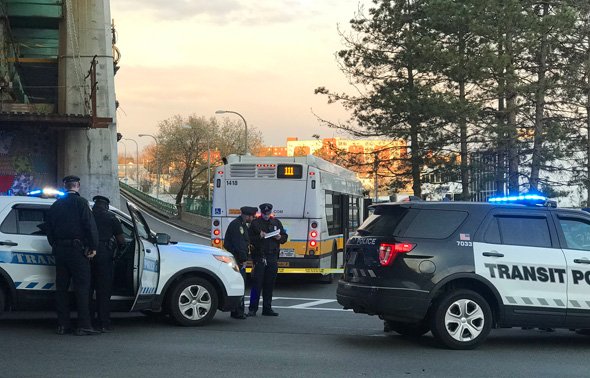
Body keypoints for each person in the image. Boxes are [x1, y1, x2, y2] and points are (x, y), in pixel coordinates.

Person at [45, 175, 100, 336]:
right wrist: (93, 247)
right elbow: (90, 226)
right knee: (82, 288)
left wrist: (55, 244)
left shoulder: (56, 205)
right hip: (77, 251)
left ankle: (63, 325)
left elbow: (49, 229)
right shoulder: (81, 203)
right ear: (78, 186)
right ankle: (83, 325)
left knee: (61, 288)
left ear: (64, 186)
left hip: (60, 251)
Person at [90, 195, 126, 332]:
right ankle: (103, 323)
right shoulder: (112, 218)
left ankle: (88, 322)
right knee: (103, 291)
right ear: (106, 206)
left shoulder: (88, 216)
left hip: (87, 255)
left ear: (95, 205)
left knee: (87, 290)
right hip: (104, 256)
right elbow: (121, 241)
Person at [247, 203, 288, 317]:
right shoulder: (255, 223)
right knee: (257, 284)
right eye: (265, 213)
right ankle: (252, 308)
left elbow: (284, 237)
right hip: (260, 256)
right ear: (261, 212)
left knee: (269, 284)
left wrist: (279, 237)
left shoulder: (276, 222)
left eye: (268, 213)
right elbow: (249, 238)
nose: (267, 215)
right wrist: (259, 236)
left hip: (272, 256)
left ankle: (267, 308)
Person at [223, 206, 257, 319]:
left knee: (240, 284)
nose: (253, 218)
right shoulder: (237, 226)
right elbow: (239, 245)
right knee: (239, 284)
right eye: (252, 216)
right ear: (247, 216)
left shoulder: (241, 225)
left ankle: (238, 310)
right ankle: (237, 312)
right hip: (238, 260)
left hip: (238, 258)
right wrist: (243, 260)